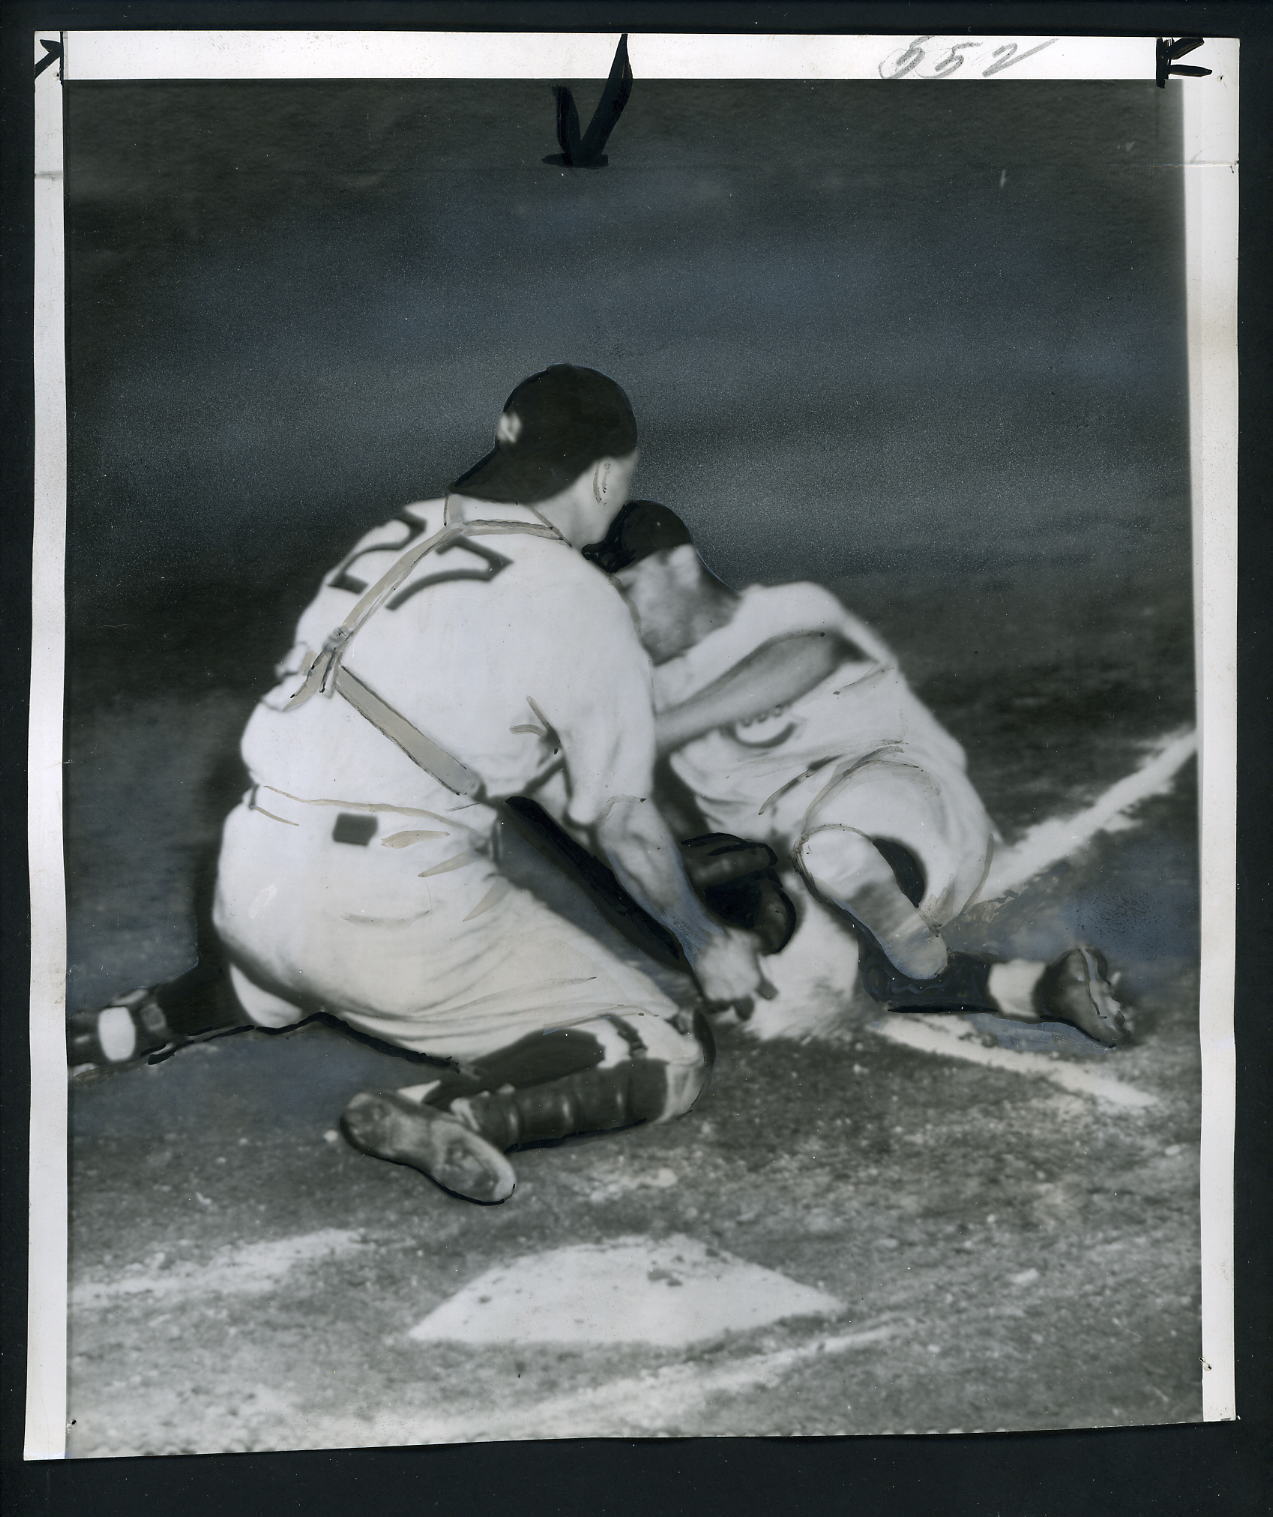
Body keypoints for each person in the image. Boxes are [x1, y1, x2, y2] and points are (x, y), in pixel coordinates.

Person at [69, 367, 764, 1204]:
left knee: (289, 972)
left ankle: (122, 1027)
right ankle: (451, 1107)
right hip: (385, 920)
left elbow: (474, 743)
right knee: (659, 1044)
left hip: (253, 887)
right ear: (608, 476)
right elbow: (619, 821)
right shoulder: (576, 595)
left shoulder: (398, 529)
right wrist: (702, 940)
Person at [580, 499, 1129, 1047]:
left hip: (905, 798)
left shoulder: (786, 609)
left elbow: (806, 658)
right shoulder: (643, 686)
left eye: (626, 588)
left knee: (854, 817)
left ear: (679, 563)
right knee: (841, 991)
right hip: (803, 869)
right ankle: (1046, 989)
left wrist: (657, 731)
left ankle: (861, 873)